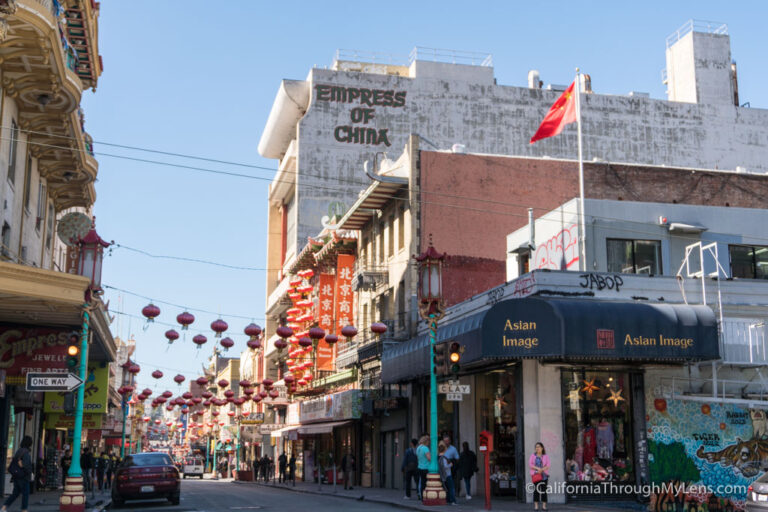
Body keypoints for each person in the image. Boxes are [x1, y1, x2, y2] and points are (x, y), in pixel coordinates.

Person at [2, 435, 33, 512]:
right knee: (25, 494)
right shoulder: (26, 452)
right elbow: (24, 465)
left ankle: (4, 507)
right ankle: (24, 509)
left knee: (15, 494)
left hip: (16, 476)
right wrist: (30, 473)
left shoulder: (19, 451)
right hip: (24, 476)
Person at [529, 442, 550, 511]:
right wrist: (538, 469)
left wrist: (542, 470)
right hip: (536, 475)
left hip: (544, 476)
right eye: (536, 447)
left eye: (538, 447)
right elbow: (530, 464)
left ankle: (544, 506)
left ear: (542, 448)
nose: (537, 448)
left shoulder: (545, 456)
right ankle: (536, 506)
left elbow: (548, 465)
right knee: (536, 491)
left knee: (544, 491)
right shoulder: (533, 456)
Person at [416, 435, 430, 500]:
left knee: (422, 483)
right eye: (428, 441)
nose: (429, 442)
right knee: (427, 483)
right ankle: (426, 496)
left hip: (420, 467)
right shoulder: (425, 448)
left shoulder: (418, 448)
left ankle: (422, 496)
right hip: (426, 467)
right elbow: (429, 458)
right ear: (426, 441)